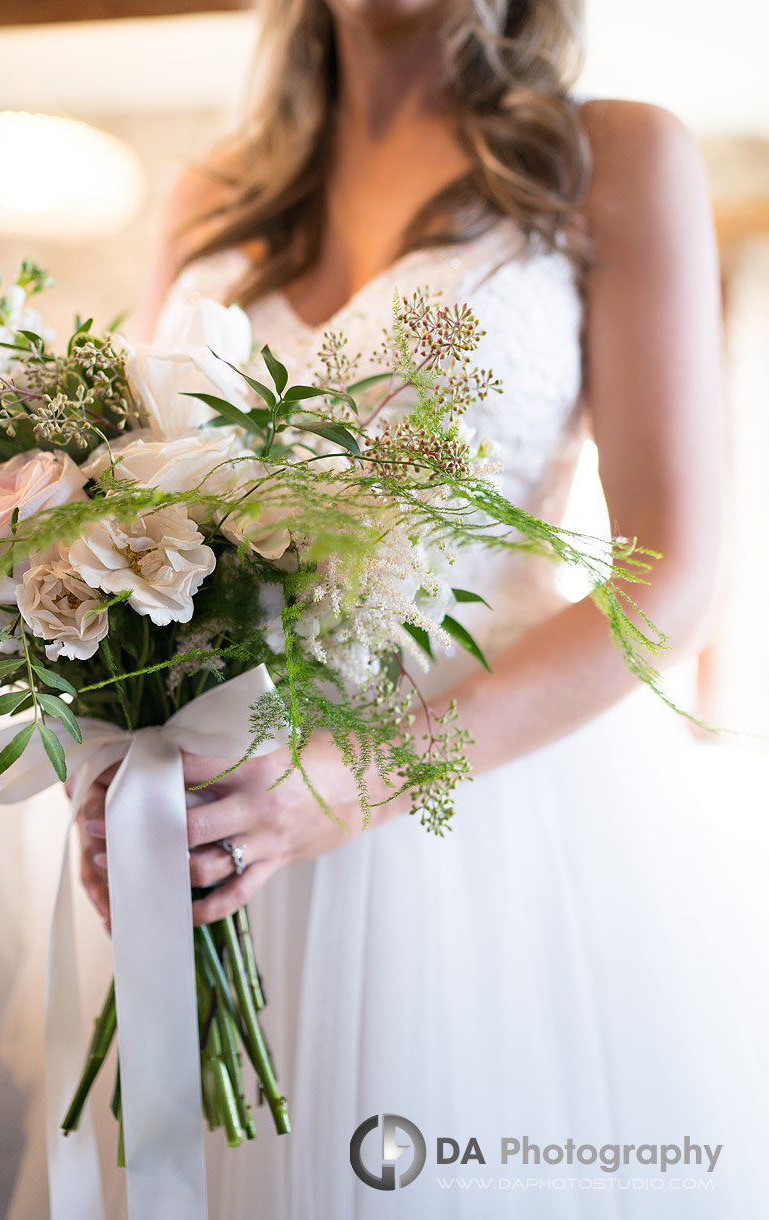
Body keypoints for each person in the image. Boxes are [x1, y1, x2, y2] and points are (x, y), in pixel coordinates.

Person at [68, 0, 769, 1217]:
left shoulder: (612, 156)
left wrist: (343, 784)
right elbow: (144, 520)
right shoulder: (208, 197)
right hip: (234, 828)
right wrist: (119, 757)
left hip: (487, 829)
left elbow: (674, 581)